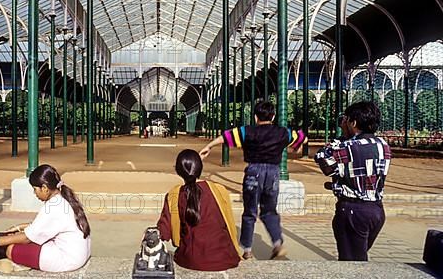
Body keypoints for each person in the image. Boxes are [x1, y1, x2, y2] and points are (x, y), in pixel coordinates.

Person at [199, 101, 306, 260]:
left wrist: (209, 146)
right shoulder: (283, 132)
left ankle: (247, 249)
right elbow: (302, 138)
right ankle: (277, 242)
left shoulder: (247, 131)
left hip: (253, 172)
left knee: (250, 213)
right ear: (273, 116)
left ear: (255, 117)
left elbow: (225, 137)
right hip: (273, 173)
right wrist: (297, 147)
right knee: (269, 211)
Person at [0, 164, 91, 273]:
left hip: (67, 260)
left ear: (44, 188)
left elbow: (26, 238)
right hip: (78, 254)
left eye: (35, 189)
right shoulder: (62, 199)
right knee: (14, 237)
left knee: (11, 250)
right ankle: (24, 260)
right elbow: (46, 226)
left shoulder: (53, 206)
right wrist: (19, 227)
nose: (35, 194)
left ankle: (19, 262)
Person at [314, 101, 391, 261]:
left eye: (346, 120)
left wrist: (338, 138)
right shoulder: (383, 145)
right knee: (358, 256)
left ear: (353, 122)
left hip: (353, 211)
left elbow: (325, 163)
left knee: (352, 264)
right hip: (376, 210)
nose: (344, 122)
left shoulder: (348, 147)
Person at [157, 149, 241, 271]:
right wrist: (196, 161)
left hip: (190, 260)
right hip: (225, 258)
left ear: (177, 171)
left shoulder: (174, 195)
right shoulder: (219, 190)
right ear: (200, 168)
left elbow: (164, 233)